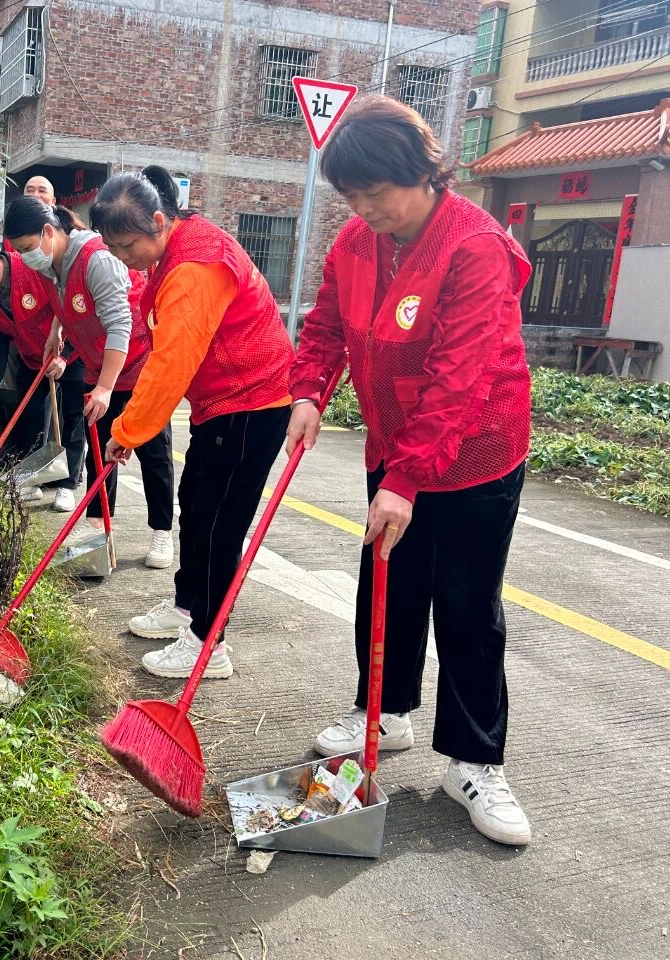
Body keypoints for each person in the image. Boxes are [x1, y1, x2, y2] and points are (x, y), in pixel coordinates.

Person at [288, 96, 534, 846]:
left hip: (476, 454)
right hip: (398, 449)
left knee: (465, 605)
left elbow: (460, 377)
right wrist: (307, 389)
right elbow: (327, 322)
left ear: (421, 172)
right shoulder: (358, 243)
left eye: (377, 193)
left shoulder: (476, 246)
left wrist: (408, 479)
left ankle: (474, 760)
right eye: (352, 198)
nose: (365, 210)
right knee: (387, 584)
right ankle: (383, 711)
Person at [89, 166, 299, 680]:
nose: (122, 258)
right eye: (113, 248)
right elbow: (157, 342)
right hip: (220, 404)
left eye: (127, 245)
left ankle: (209, 644)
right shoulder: (174, 250)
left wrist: (128, 430)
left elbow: (172, 363)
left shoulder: (194, 267)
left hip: (252, 403)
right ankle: (187, 609)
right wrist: (131, 423)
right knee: (196, 510)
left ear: (159, 221)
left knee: (219, 525)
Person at [3, 196, 177, 569]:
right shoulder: (51, 263)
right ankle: (98, 528)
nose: (26, 256)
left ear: (49, 232)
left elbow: (120, 325)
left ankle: (162, 530)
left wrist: (104, 388)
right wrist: (57, 330)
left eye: (28, 248)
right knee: (101, 451)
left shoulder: (97, 259)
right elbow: (64, 300)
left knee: (153, 451)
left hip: (139, 365)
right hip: (102, 367)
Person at [0, 239, 86, 509]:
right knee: (29, 418)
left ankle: (66, 485)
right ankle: (31, 480)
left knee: (72, 418)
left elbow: (71, 311)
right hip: (32, 359)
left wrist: (65, 355)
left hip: (71, 352)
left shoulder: (31, 269)